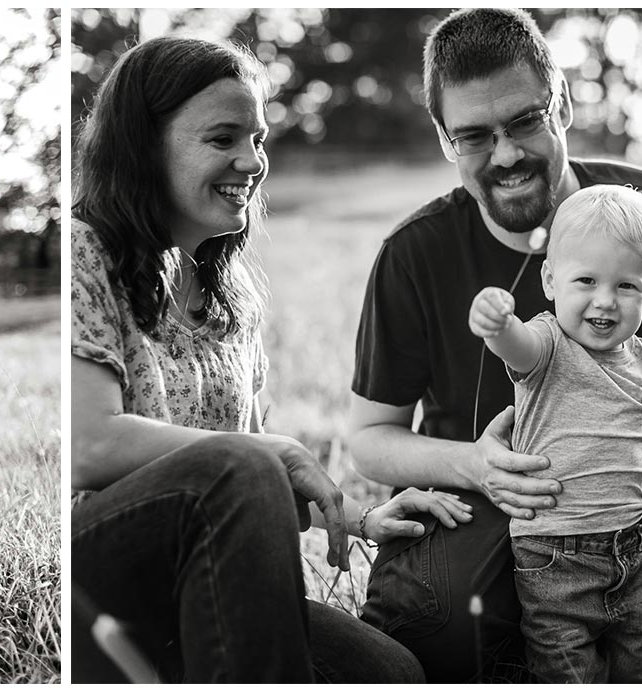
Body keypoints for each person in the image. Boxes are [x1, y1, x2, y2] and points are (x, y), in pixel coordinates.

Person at [347, 8, 642, 683]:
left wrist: (615, 417)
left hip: (634, 487)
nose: (505, 154)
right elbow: (368, 435)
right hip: (494, 498)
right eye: (474, 136)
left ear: (561, 103)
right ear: (444, 139)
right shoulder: (412, 252)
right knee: (436, 622)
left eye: (524, 122)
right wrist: (477, 464)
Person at [69, 34, 460, 683]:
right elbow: (89, 444)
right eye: (223, 138)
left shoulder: (233, 295)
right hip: (102, 572)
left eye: (256, 139)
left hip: (210, 575)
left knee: (391, 672)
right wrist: (268, 454)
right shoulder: (84, 253)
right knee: (242, 460)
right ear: (143, 145)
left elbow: (244, 497)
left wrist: (360, 519)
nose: (250, 161)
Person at [470, 185, 642, 682]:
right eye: (585, 280)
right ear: (549, 279)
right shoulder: (547, 343)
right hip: (554, 558)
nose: (604, 302)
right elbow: (516, 349)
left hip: (637, 547)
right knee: (566, 666)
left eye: (626, 286)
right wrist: (497, 326)